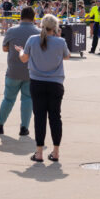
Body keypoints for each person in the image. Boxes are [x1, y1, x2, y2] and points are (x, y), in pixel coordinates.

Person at [15, 14, 70, 163]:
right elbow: (67, 56)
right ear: (56, 28)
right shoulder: (60, 42)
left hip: (37, 82)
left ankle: (39, 152)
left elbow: (24, 58)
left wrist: (20, 51)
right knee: (55, 117)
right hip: (56, 83)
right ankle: (56, 151)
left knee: (39, 117)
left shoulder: (32, 40)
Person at [0, 6, 39, 136]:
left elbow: (4, 48)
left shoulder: (12, 31)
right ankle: (24, 127)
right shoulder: (39, 32)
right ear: (34, 17)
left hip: (13, 71)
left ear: (20, 16)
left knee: (8, 99)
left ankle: (0, 124)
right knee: (27, 99)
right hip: (31, 72)